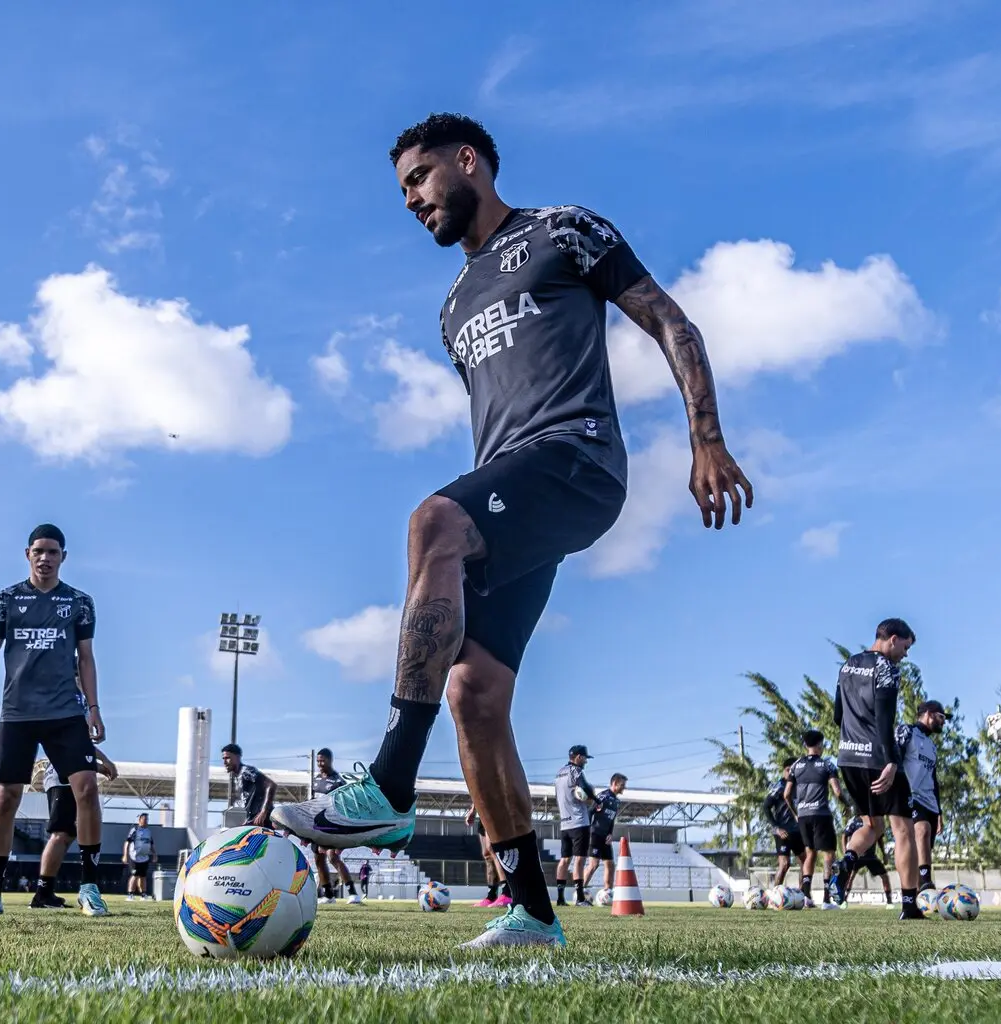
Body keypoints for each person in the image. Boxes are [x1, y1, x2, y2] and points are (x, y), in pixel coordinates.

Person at [272, 112, 752, 949]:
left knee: (433, 521)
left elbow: (673, 321)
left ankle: (387, 782)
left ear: (468, 162)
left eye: (419, 180)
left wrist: (706, 436)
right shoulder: (453, 307)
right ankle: (532, 909)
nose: (412, 201)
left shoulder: (565, 232)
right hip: (514, 493)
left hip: (578, 460)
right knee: (474, 693)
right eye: (403, 192)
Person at [0, 523, 108, 917]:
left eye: (53, 551)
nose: (45, 558)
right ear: (27, 555)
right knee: (6, 798)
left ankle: (89, 887)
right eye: (38, 551)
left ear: (64, 556)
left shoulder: (80, 602)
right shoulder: (5, 600)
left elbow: (86, 658)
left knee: (85, 789)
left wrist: (94, 708)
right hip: (17, 714)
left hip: (66, 711)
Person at [828, 618, 921, 919]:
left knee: (872, 825)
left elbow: (837, 715)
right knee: (903, 829)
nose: (905, 655)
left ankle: (848, 860)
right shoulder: (887, 669)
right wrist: (891, 760)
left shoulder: (847, 665)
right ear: (893, 639)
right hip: (878, 759)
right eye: (905, 647)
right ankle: (909, 905)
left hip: (848, 758)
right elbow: (884, 719)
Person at [31, 718, 117, 910]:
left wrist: (98, 764)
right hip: (62, 776)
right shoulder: (67, 704)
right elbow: (76, 746)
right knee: (61, 833)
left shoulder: (77, 703)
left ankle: (45, 894)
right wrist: (103, 762)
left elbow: (80, 748)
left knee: (66, 834)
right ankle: (42, 895)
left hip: (65, 773)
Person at [784, 729, 846, 906]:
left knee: (810, 853)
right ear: (820, 745)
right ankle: (827, 899)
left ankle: (806, 898)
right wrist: (846, 804)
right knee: (828, 854)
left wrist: (796, 813)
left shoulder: (795, 766)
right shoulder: (827, 765)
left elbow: (786, 794)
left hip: (803, 815)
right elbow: (837, 791)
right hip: (821, 814)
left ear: (805, 745)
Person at [898, 700, 948, 893]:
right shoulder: (908, 732)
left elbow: (934, 779)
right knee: (923, 830)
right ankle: (927, 884)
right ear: (929, 714)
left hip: (930, 802)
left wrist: (939, 811)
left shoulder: (932, 746)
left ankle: (920, 894)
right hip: (911, 795)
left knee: (925, 849)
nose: (943, 722)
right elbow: (895, 757)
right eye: (941, 717)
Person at [311, 749, 361, 904]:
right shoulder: (316, 780)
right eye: (318, 761)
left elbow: (347, 804)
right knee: (318, 859)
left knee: (333, 856)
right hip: (317, 826)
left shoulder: (338, 781)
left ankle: (353, 892)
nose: (320, 764)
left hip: (333, 826)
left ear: (330, 760)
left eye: (323, 760)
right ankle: (328, 895)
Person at [553, 746, 596, 907]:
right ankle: (579, 898)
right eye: (585, 758)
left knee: (564, 860)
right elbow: (584, 787)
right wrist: (595, 801)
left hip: (565, 823)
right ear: (578, 757)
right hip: (579, 822)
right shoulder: (576, 771)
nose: (585, 761)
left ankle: (560, 898)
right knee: (579, 860)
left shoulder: (559, 773)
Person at [583, 773, 627, 897]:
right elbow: (590, 812)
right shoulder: (603, 797)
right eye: (622, 785)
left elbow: (611, 820)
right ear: (614, 784)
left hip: (605, 838)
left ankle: (608, 892)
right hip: (595, 835)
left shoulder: (617, 802)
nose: (624, 787)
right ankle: (581, 890)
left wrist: (610, 834)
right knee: (594, 865)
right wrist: (588, 831)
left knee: (610, 864)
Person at [763, 761, 805, 887]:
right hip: (783, 832)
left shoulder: (800, 786)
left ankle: (803, 895)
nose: (789, 772)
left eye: (792, 770)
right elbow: (766, 807)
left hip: (798, 832)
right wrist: (777, 828)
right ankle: (775, 895)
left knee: (806, 861)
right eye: (787, 769)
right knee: (785, 864)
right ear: (783, 770)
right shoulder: (779, 786)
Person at [465, 802, 511, 908]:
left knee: (493, 849)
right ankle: (491, 896)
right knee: (487, 854)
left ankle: (507, 893)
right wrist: (473, 809)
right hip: (482, 810)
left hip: (494, 808)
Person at [843, 815, 894, 905]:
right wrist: (845, 852)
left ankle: (889, 902)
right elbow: (844, 836)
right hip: (858, 855)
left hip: (871, 856)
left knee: (885, 876)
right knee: (850, 877)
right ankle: (844, 900)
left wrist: (884, 855)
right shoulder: (854, 820)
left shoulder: (873, 820)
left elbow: (879, 839)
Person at [222, 744, 276, 827]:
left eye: (227, 758)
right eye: (223, 759)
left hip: (263, 820)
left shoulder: (246, 771)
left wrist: (263, 812)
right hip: (253, 820)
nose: (224, 762)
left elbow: (271, 785)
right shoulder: (238, 776)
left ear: (237, 757)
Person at [123, 813, 158, 900]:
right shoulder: (135, 830)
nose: (146, 821)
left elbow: (151, 844)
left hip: (144, 858)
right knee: (134, 875)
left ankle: (143, 894)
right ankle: (130, 894)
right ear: (140, 820)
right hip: (135, 857)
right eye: (144, 819)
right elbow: (127, 842)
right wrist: (125, 855)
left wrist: (154, 855)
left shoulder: (148, 832)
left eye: (147, 820)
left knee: (143, 876)